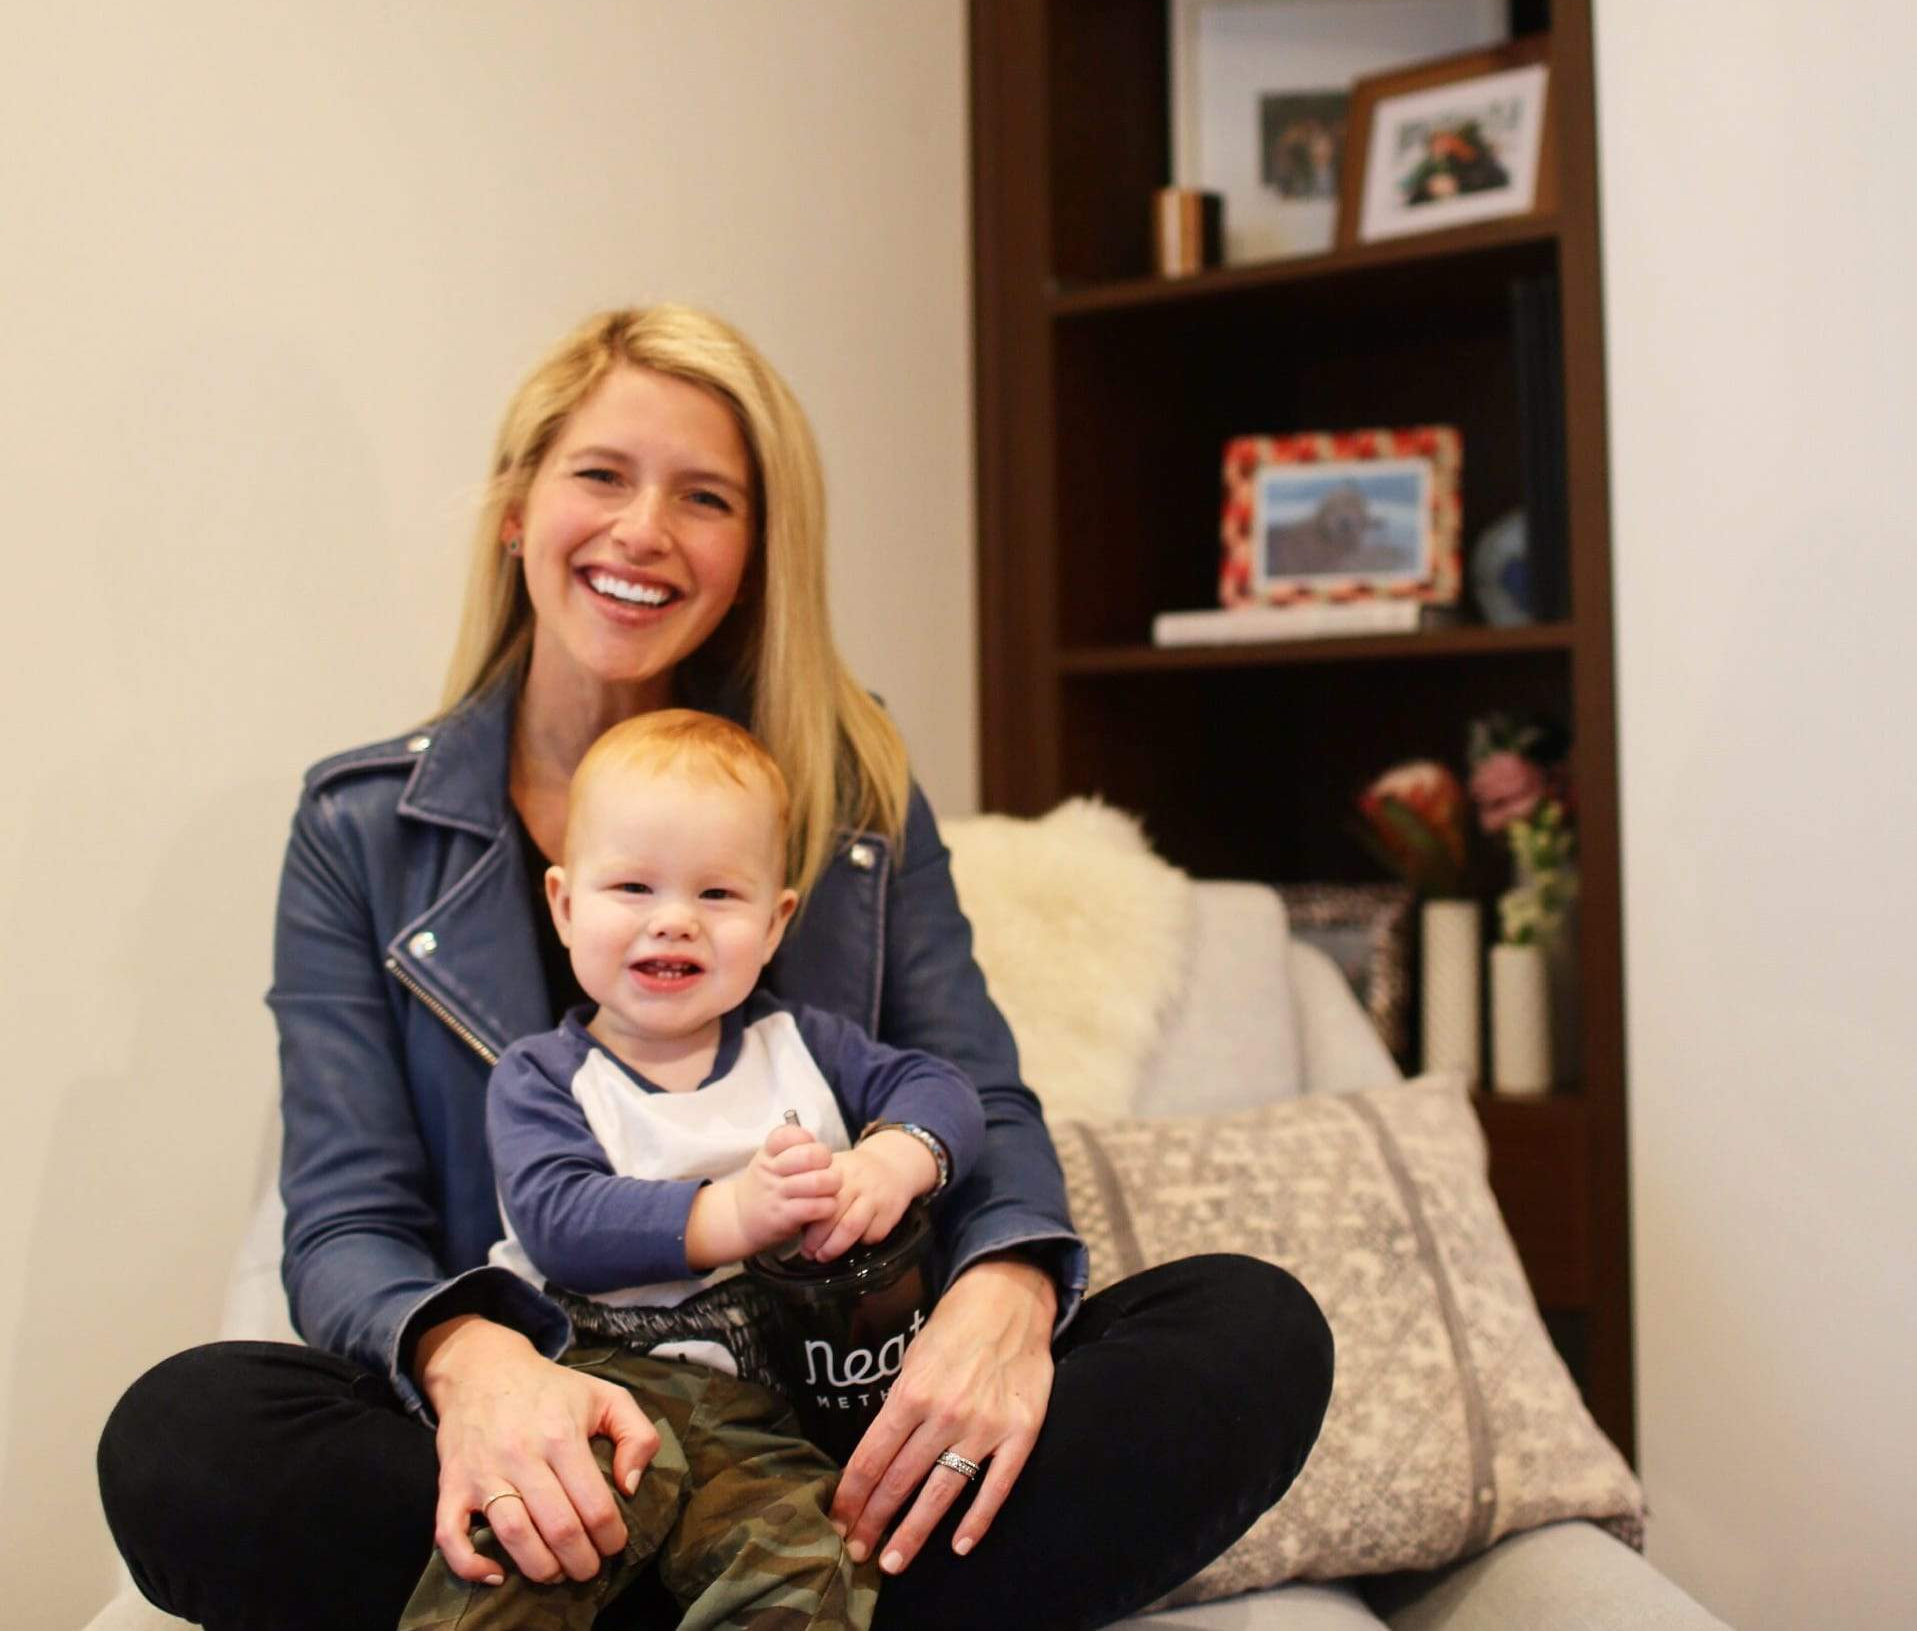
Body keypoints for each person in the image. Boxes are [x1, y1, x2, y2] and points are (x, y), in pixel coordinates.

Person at [98, 304, 1335, 1631]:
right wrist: (475, 1370)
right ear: (517, 510)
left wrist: (1002, 1300)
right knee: (182, 1436)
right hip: (552, 1416)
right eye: (600, 475)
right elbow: (344, 1220)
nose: (644, 531)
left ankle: (706, 1587)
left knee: (1249, 1331)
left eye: (705, 497)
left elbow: (979, 1102)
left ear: (750, 555)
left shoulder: (850, 792)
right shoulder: (360, 830)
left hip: (833, 1408)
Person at [402, 706, 986, 1631]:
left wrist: (894, 1155)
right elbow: (560, 1219)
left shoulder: (803, 1045)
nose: (673, 921)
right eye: (631, 886)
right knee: (527, 1543)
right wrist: (732, 1212)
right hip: (591, 1395)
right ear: (563, 904)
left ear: (774, 920)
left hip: (765, 1417)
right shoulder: (546, 1075)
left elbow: (947, 1089)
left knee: (818, 1557)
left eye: (718, 895)